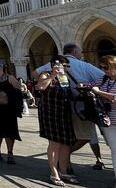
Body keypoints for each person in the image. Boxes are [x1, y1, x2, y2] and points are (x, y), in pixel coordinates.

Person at [34, 43, 106, 172]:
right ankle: (63, 161)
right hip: (80, 108)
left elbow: (34, 73)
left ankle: (65, 164)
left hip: (65, 108)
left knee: (68, 139)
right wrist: (89, 85)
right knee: (84, 136)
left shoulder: (55, 64)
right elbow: (104, 77)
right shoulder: (83, 65)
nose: (66, 67)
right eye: (80, 52)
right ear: (74, 52)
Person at [36, 55, 78, 186]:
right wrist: (53, 75)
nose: (65, 68)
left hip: (63, 112)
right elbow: (41, 87)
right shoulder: (46, 74)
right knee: (55, 143)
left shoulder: (64, 77)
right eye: (63, 66)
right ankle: (54, 173)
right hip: (50, 113)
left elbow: (68, 94)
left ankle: (64, 171)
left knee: (65, 143)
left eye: (66, 66)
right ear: (54, 65)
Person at [91, 55, 116, 187]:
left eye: (106, 67)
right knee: (114, 149)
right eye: (101, 67)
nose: (103, 70)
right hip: (108, 121)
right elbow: (92, 85)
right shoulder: (105, 79)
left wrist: (99, 92)